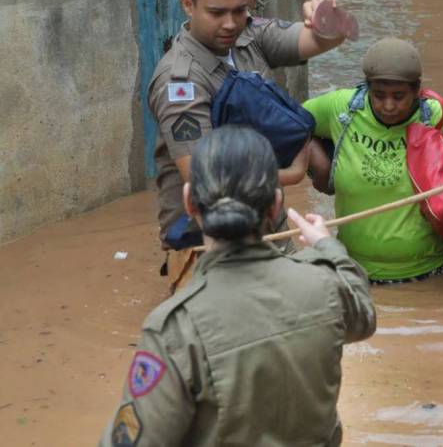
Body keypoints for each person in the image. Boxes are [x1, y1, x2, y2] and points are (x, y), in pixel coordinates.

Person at [99, 125, 376, 446]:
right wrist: (327, 246)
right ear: (275, 205)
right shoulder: (326, 284)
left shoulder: (174, 330)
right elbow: (363, 314)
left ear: (190, 202)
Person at [150, 0, 350, 286]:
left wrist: (332, 23)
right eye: (216, 13)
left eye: (239, 10)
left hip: (267, 223)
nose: (230, 23)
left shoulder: (250, 35)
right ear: (188, 5)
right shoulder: (180, 82)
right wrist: (291, 173)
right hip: (208, 240)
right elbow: (203, 177)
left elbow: (319, 39)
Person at [303, 37, 443, 283]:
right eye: (379, 95)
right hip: (354, 272)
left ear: (417, 90)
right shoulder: (342, 110)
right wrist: (322, 170)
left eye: (399, 96)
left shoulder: (438, 117)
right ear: (367, 88)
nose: (388, 105)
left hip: (436, 274)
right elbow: (289, 122)